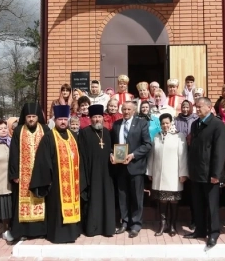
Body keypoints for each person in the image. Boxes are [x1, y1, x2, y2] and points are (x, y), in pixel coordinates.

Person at [29, 105, 81, 243]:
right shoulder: (49, 137)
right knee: (57, 209)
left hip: (73, 181)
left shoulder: (73, 136)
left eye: (65, 119)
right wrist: (48, 181)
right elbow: (42, 161)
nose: (63, 122)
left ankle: (72, 234)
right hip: (57, 182)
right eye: (60, 119)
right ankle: (57, 235)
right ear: (55, 120)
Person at [184, 97, 225, 249]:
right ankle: (200, 230)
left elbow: (219, 152)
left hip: (210, 174)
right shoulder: (196, 124)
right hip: (196, 173)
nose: (197, 109)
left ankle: (213, 233)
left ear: (209, 107)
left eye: (200, 106)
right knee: (198, 204)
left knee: (211, 205)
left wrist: (216, 174)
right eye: (196, 106)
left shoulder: (217, 125)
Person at [8, 102, 50, 241]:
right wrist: (14, 174)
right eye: (28, 116)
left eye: (33, 116)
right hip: (22, 176)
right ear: (24, 117)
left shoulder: (45, 129)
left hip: (41, 174)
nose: (31, 119)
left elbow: (50, 152)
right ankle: (23, 232)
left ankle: (42, 230)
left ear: (38, 117)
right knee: (23, 203)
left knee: (42, 200)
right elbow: (13, 153)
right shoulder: (19, 131)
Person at [110, 101, 152, 238]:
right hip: (120, 167)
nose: (126, 111)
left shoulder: (141, 123)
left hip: (135, 166)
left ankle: (136, 224)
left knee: (136, 197)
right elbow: (112, 144)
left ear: (134, 110)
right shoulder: (116, 125)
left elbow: (147, 145)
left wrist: (133, 155)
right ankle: (125, 222)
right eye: (124, 109)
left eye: (129, 109)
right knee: (122, 196)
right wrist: (111, 154)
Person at [147, 113, 188, 237]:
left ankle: (173, 226)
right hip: (159, 174)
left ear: (171, 123)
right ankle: (162, 225)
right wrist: (150, 171)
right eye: (163, 123)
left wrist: (183, 173)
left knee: (174, 202)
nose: (165, 125)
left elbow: (183, 156)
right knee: (162, 201)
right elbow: (152, 156)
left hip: (174, 175)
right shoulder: (156, 137)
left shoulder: (179, 136)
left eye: (167, 123)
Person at [79, 104, 116, 237]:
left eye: (99, 116)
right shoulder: (84, 133)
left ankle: (107, 228)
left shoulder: (106, 132)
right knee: (93, 200)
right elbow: (81, 155)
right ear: (90, 118)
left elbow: (110, 149)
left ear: (103, 118)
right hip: (92, 173)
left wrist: (112, 154)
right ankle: (92, 229)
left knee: (106, 199)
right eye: (94, 117)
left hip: (107, 173)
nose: (97, 119)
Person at [174, 100, 198, 229]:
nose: (184, 108)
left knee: (193, 191)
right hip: (179, 157)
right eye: (183, 106)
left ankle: (194, 219)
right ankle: (175, 220)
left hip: (193, 156)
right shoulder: (176, 120)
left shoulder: (195, 120)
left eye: (187, 106)